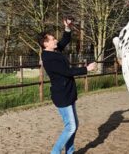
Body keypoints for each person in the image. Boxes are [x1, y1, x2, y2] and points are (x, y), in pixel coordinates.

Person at [38, 18, 96, 154]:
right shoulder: (48, 58)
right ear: (46, 43)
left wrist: (67, 28)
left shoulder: (55, 51)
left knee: (74, 126)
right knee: (70, 127)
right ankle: (55, 152)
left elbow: (64, 40)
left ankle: (69, 152)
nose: (56, 40)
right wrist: (86, 69)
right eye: (53, 39)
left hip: (68, 93)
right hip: (62, 96)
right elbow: (67, 72)